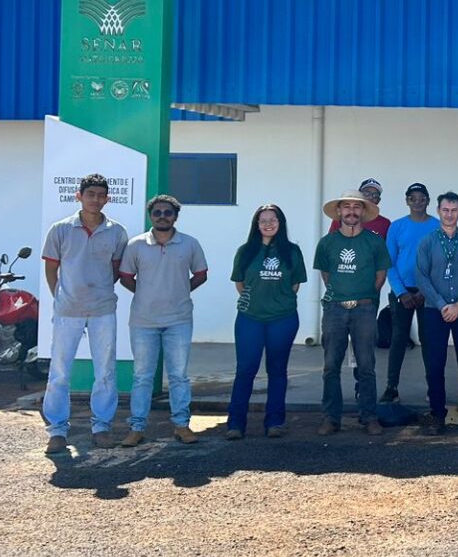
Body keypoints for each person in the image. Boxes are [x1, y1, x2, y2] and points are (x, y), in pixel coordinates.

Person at [40, 174, 129, 454]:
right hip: (68, 310)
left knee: (105, 371)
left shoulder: (117, 232)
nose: (95, 199)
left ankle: (101, 426)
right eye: (90, 194)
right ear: (78, 196)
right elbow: (51, 269)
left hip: (103, 310)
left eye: (101, 195)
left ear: (107, 199)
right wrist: (61, 296)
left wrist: (99, 290)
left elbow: (116, 269)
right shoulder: (60, 229)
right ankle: (57, 430)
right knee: (59, 372)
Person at [118, 195, 208, 447]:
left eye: (168, 213)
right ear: (150, 216)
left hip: (179, 320)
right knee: (142, 376)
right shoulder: (136, 245)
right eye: (157, 212)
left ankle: (182, 425)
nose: (162, 217)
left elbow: (201, 274)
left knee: (178, 376)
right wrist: (145, 294)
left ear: (175, 216)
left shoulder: (190, 244)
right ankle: (137, 428)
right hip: (143, 321)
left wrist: (180, 291)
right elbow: (125, 277)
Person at [224, 203, 308, 439]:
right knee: (245, 369)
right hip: (250, 319)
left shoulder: (292, 251)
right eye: (263, 220)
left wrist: (278, 301)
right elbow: (240, 283)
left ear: (281, 223)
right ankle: (235, 424)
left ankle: (274, 422)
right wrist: (255, 301)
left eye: (273, 220)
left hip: (283, 319)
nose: (268, 224)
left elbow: (295, 284)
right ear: (256, 225)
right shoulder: (245, 251)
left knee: (277, 370)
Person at [314, 190, 390, 435]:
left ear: (363, 212)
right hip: (334, 309)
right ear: (339, 211)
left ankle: (369, 417)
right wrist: (341, 294)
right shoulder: (327, 243)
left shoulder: (375, 242)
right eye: (346, 206)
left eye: (356, 207)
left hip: (364, 309)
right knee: (330, 366)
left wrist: (365, 296)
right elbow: (326, 274)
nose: (351, 211)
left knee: (366, 365)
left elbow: (380, 275)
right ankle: (330, 418)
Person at [416, 192, 458, 436]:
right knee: (435, 365)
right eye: (445, 210)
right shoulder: (427, 242)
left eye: (454, 210)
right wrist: (441, 304)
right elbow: (421, 276)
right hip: (435, 311)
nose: (449, 214)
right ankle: (437, 415)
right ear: (438, 211)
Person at [381, 182, 436, 403]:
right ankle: (391, 387)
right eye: (413, 198)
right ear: (407, 201)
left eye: (422, 198)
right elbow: (389, 262)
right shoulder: (397, 227)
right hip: (401, 292)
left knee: (428, 340)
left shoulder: (437, 226)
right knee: (398, 338)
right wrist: (401, 292)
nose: (417, 202)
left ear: (428, 201)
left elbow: (439, 263)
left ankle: (433, 388)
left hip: (428, 292)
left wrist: (425, 290)